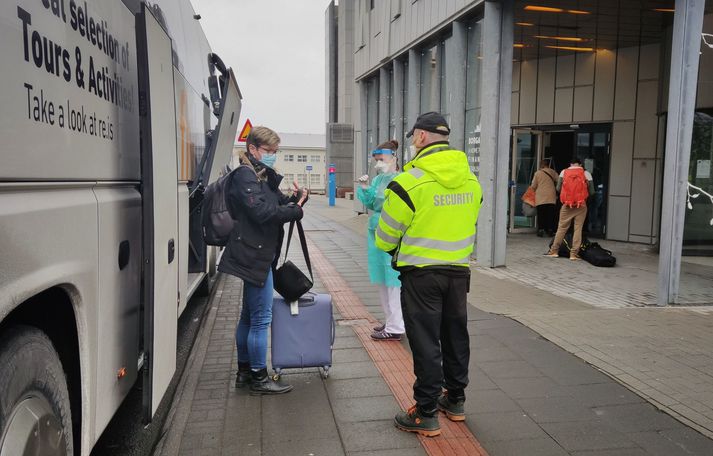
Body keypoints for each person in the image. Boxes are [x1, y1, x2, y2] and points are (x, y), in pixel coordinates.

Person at [375, 112, 482, 437]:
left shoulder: (408, 182)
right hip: (458, 274)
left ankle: (425, 413)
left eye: (412, 138)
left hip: (421, 276)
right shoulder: (472, 181)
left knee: (424, 341)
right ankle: (456, 400)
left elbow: (385, 238)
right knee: (455, 336)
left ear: (420, 137)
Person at [218, 126, 308, 395]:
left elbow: (278, 203)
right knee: (260, 319)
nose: (272, 156)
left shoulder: (260, 175)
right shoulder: (245, 176)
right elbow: (261, 212)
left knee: (249, 316)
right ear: (253, 149)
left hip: (259, 253)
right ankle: (258, 376)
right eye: (269, 151)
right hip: (253, 254)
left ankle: (245, 374)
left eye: (275, 152)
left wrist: (297, 199)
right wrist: (293, 210)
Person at [356, 140, 405, 341]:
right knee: (383, 280)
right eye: (376, 160)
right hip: (376, 233)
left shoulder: (402, 179)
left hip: (392, 233)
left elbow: (392, 204)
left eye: (381, 159)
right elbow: (369, 202)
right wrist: (365, 187)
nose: (378, 164)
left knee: (394, 281)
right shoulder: (378, 180)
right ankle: (391, 320)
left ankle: (396, 326)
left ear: (393, 157)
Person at [545, 157, 594, 260]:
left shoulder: (564, 172)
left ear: (570, 164)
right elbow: (592, 191)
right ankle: (573, 254)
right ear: (580, 164)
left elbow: (558, 188)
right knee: (578, 229)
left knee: (561, 228)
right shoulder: (586, 173)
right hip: (581, 205)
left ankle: (554, 251)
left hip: (567, 205)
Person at [531, 159, 558, 237]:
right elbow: (559, 180)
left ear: (542, 165)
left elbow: (533, 186)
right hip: (551, 196)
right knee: (550, 214)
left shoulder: (537, 173)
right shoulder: (553, 172)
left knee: (541, 214)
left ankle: (541, 230)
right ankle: (550, 229)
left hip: (541, 196)